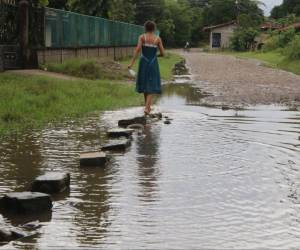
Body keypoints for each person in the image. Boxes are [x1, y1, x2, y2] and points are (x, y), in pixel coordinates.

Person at [128, 21, 165, 115]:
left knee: (145, 84)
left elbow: (137, 50)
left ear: (145, 28)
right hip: (153, 63)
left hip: (143, 62)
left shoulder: (142, 37)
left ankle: (147, 108)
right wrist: (156, 55)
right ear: (154, 29)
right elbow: (163, 53)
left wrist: (131, 63)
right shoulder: (158, 39)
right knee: (152, 85)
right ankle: (147, 108)